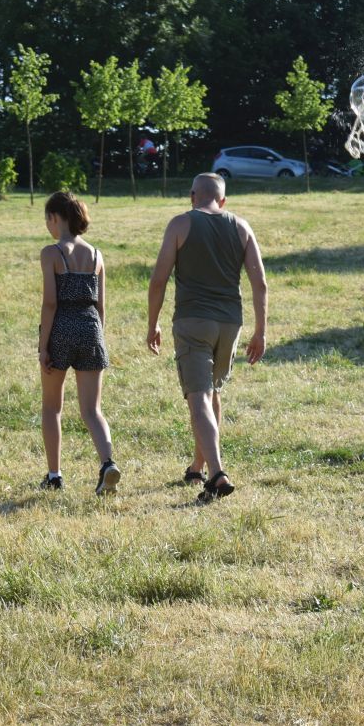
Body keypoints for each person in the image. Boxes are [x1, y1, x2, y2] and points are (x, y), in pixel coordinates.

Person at [146, 173, 267, 503]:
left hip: (192, 321)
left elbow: (158, 280)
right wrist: (260, 331)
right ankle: (197, 466)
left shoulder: (180, 224)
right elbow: (260, 283)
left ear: (192, 196)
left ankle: (216, 473)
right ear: (223, 200)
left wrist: (153, 324)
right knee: (212, 392)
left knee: (198, 396)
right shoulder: (241, 227)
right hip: (230, 323)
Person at [37, 192, 120, 495]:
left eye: (47, 219)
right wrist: (97, 338)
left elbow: (50, 303)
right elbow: (101, 307)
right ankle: (108, 463)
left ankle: (54, 475)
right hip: (91, 329)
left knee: (52, 407)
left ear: (54, 218)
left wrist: (43, 346)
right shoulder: (96, 255)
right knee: (92, 410)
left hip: (60, 330)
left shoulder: (52, 253)